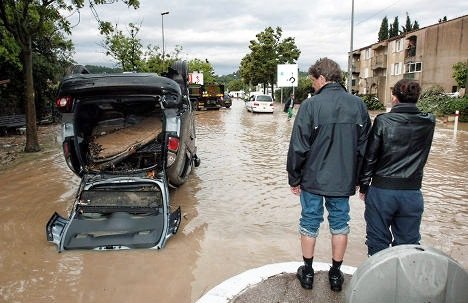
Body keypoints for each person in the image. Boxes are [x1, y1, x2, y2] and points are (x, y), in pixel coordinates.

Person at [287, 58, 371, 291]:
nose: (313, 85)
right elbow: (365, 148)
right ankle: (335, 275)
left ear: (322, 78)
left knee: (309, 223)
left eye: (313, 81)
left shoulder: (310, 106)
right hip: (344, 180)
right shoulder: (358, 105)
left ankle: (307, 273)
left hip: (312, 179)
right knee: (340, 224)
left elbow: (298, 146)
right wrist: (361, 181)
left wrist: (294, 178)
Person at [358, 79, 435, 256]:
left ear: (394, 97)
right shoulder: (429, 121)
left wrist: (363, 185)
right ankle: (405, 281)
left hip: (382, 190)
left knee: (378, 241)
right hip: (412, 191)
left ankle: (379, 280)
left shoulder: (383, 121)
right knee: (409, 245)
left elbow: (370, 157)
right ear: (418, 97)